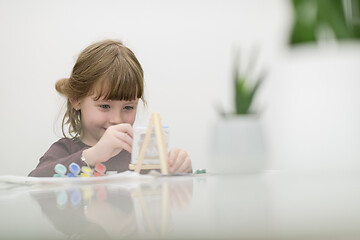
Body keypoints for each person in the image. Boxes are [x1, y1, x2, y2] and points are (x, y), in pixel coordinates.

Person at [28, 39, 192, 177]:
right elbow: (34, 183)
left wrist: (180, 169)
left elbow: (164, 194)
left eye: (128, 107)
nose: (117, 120)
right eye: (105, 106)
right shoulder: (65, 151)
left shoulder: (141, 156)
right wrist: (91, 156)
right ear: (76, 100)